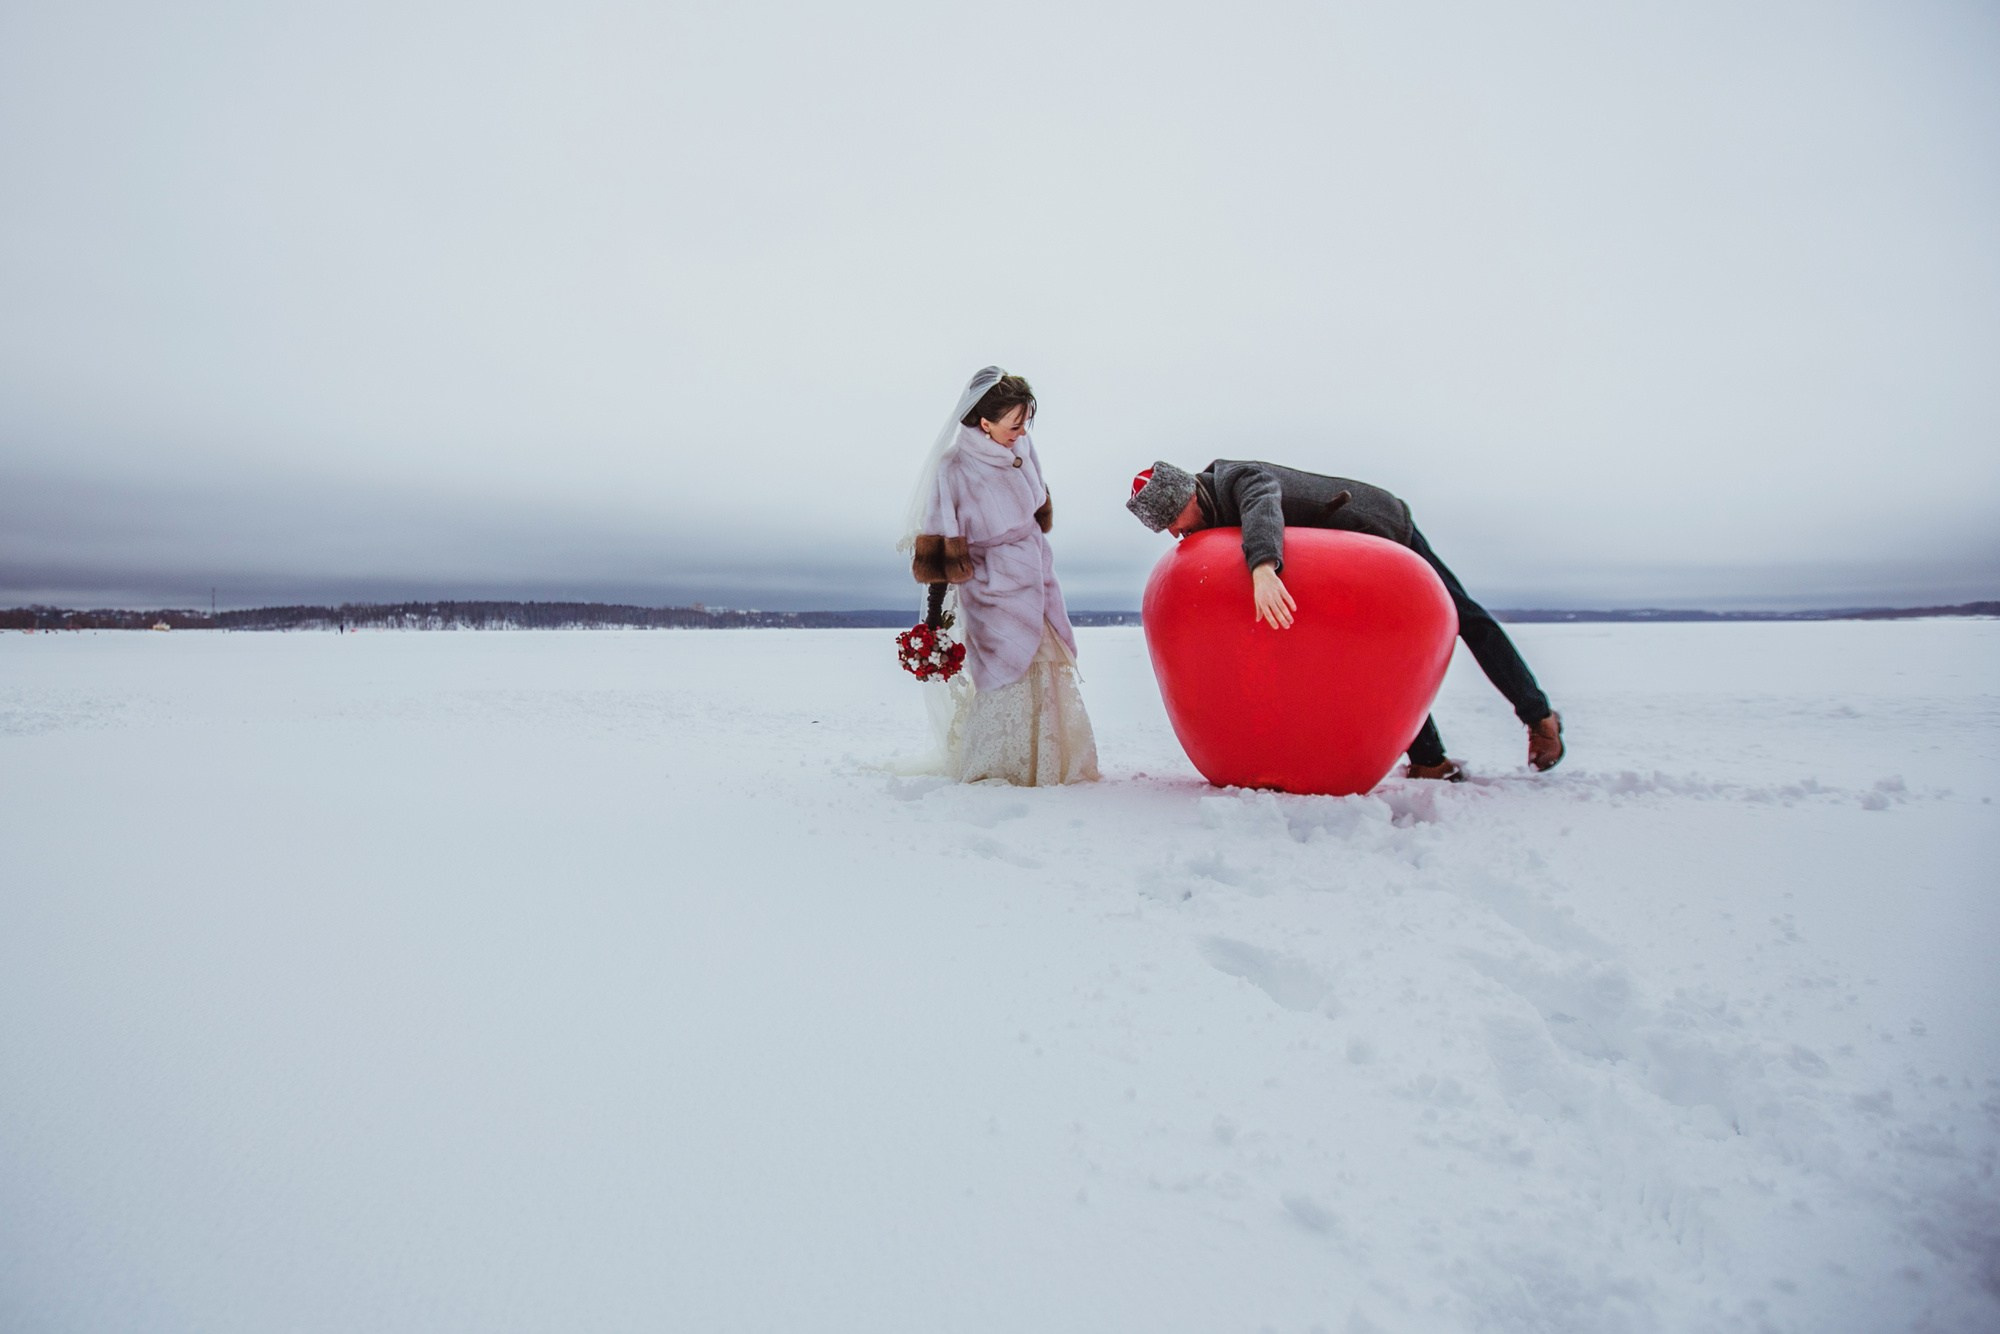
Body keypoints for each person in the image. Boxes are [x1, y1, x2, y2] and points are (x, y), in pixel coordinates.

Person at [1126, 459, 1563, 779]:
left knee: (1465, 618)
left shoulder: (1239, 478)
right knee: (1367, 654)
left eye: (1171, 520)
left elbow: (1262, 504)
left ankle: (1539, 716)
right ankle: (1429, 760)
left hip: (1382, 532)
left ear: (1187, 495)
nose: (1172, 532)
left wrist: (1262, 568)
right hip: (1339, 568)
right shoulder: (1207, 520)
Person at [899, 367, 1098, 785]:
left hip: (1036, 570)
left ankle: (1050, 765)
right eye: (1014, 423)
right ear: (984, 422)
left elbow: (1038, 505)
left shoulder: (1022, 446)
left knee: (1046, 660)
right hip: (989, 584)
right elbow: (940, 536)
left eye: (1026, 423)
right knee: (1003, 670)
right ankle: (999, 766)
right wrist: (933, 618)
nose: (1021, 432)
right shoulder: (953, 468)